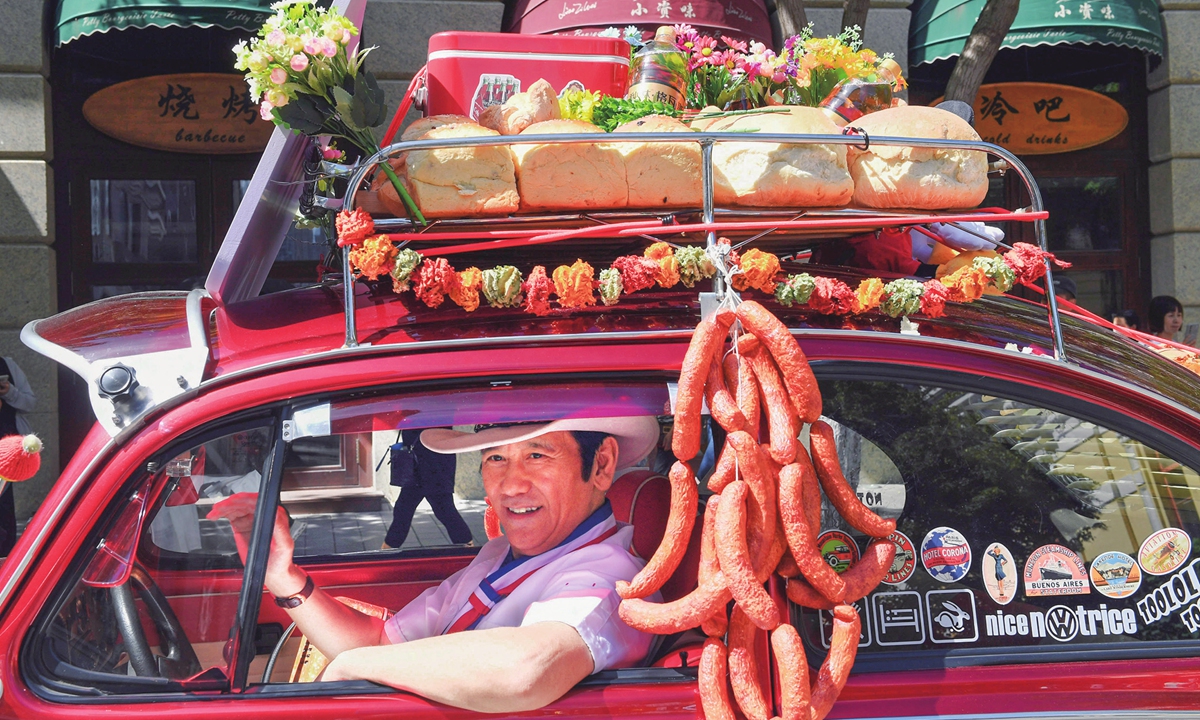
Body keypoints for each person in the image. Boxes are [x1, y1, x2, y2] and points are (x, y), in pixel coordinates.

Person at [209, 415, 660, 712]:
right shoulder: (499, 556)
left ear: (601, 465)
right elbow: (381, 641)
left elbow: (527, 668)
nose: (510, 486)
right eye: (495, 458)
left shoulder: (610, 576)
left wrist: (355, 670)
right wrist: (282, 577)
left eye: (537, 455)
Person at [383, 428, 474, 549]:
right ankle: (387, 549)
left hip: (435, 465)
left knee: (443, 509)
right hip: (416, 465)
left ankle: (468, 549)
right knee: (404, 510)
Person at [0, 357, 35, 556]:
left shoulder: (7, 364)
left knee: (4, 503)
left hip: (7, 451)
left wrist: (10, 392)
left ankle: (6, 554)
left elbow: (30, 403)